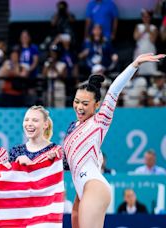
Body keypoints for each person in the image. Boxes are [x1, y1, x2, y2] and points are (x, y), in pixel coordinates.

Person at [63, 53, 165, 228]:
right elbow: (66, 162)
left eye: (85, 104)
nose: (79, 107)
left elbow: (114, 91)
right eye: (77, 101)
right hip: (81, 191)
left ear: (96, 105)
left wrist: (134, 64)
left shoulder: (99, 121)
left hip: (93, 186)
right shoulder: (72, 127)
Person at [134, 9, 159, 76]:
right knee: (139, 69)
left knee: (151, 70)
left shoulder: (154, 28)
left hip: (150, 50)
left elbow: (153, 40)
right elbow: (136, 37)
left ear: (150, 17)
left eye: (147, 16)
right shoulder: (138, 26)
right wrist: (144, 30)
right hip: (140, 51)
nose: (146, 18)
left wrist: (149, 30)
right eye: (144, 16)